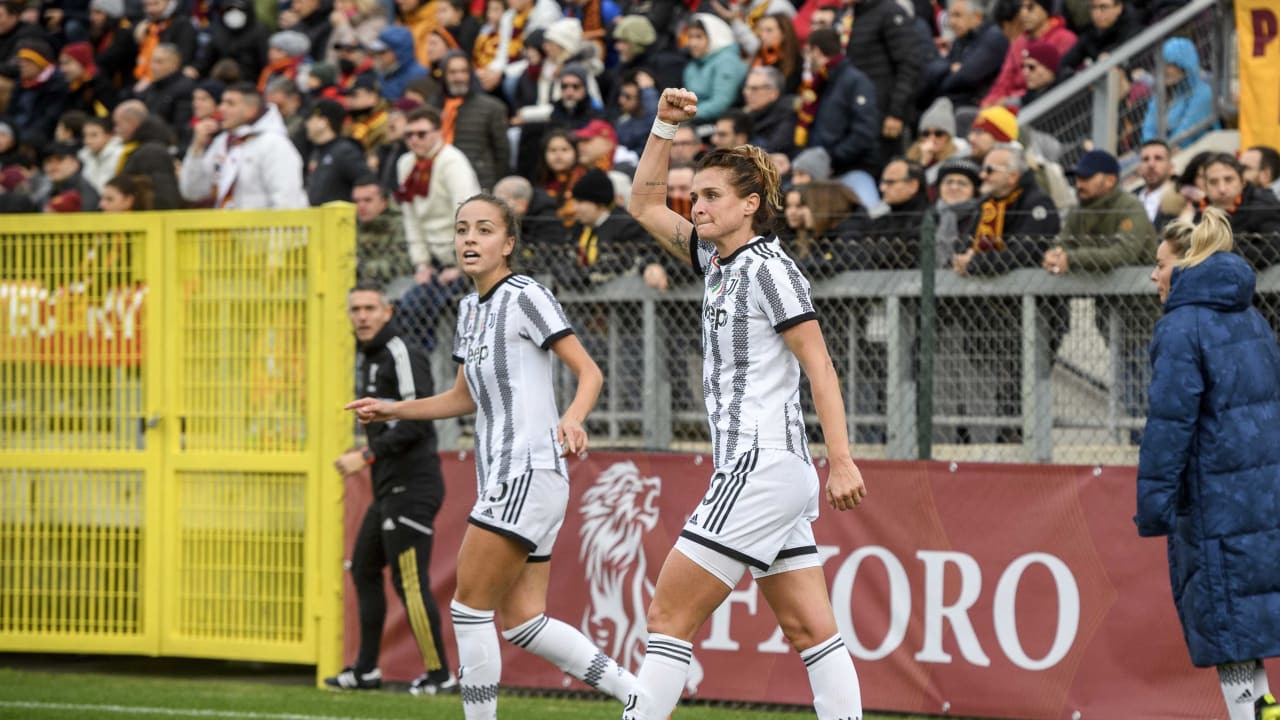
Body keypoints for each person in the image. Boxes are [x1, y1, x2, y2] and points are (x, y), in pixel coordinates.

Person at [624, 87, 867, 720]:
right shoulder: (715, 258)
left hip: (758, 466)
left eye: (711, 196)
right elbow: (645, 201)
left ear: (750, 205)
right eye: (696, 195)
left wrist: (841, 458)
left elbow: (819, 364)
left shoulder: (769, 269)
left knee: (668, 613)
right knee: (813, 630)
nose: (696, 205)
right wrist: (662, 127)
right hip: (770, 468)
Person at [346, 193, 638, 719]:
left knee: (468, 607)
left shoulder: (525, 293)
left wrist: (572, 418)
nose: (469, 240)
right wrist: (392, 408)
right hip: (515, 479)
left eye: (483, 230)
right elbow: (462, 398)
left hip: (526, 470)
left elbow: (590, 371)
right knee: (524, 621)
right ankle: (639, 695)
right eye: (461, 230)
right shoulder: (469, 309)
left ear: (507, 244)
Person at [1137, 208, 1280, 720]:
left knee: (1229, 634)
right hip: (1260, 499)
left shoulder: (1182, 327)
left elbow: (1169, 424)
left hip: (1215, 502)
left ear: (1186, 264)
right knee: (1244, 634)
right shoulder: (1251, 316)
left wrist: (1153, 507)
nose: (1153, 275)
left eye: (1160, 264)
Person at [325, 280, 457, 696]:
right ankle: (366, 670)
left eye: (369, 308)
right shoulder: (367, 358)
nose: (361, 316)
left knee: (410, 582)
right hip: (388, 487)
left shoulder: (402, 353)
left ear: (387, 311)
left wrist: (365, 457)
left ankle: (440, 676)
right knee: (363, 567)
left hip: (413, 485)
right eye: (355, 309)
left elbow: (417, 419)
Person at [179, 82, 307, 209]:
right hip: (227, 227)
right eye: (222, 102)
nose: (221, 108)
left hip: (260, 228)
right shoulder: (223, 142)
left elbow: (287, 202)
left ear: (251, 110)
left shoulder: (275, 144)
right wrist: (196, 149)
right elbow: (192, 192)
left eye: (230, 103)